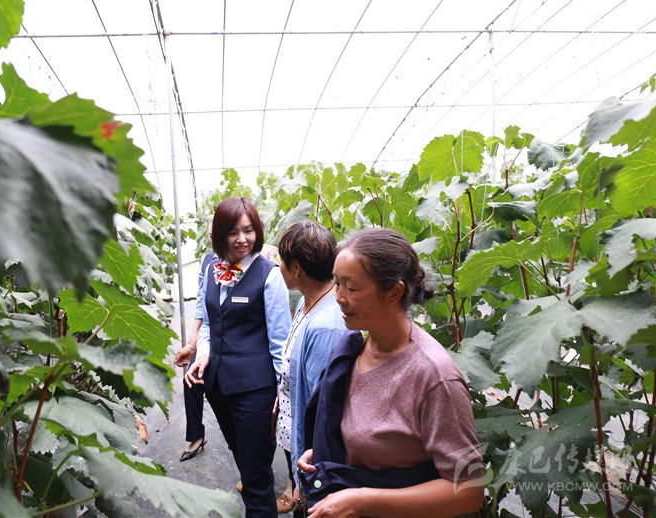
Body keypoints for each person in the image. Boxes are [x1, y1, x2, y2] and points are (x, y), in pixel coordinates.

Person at [297, 227, 484, 518]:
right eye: (336, 283)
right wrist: (327, 454)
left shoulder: (434, 376)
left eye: (351, 288)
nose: (338, 297)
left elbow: (468, 492)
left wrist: (363, 500)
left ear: (394, 292)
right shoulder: (356, 344)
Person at [185, 196, 291, 517]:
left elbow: (280, 344)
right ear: (220, 234)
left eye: (248, 230)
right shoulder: (212, 268)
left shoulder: (269, 275)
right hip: (219, 388)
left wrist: (281, 396)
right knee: (243, 460)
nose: (242, 239)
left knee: (256, 479)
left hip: (255, 393)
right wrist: (203, 354)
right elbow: (208, 323)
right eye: (233, 232)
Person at [273, 221, 346, 514]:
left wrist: (308, 481)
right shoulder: (308, 303)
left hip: (311, 460)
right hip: (296, 443)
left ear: (297, 268)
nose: (278, 266)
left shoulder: (326, 327)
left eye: (281, 260)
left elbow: (322, 413)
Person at [173, 221, 215, 461]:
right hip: (207, 332)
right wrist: (194, 334)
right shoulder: (207, 261)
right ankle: (197, 435)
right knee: (192, 380)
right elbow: (201, 299)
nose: (212, 239)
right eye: (209, 235)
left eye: (216, 234)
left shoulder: (240, 263)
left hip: (227, 333)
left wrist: (193, 343)